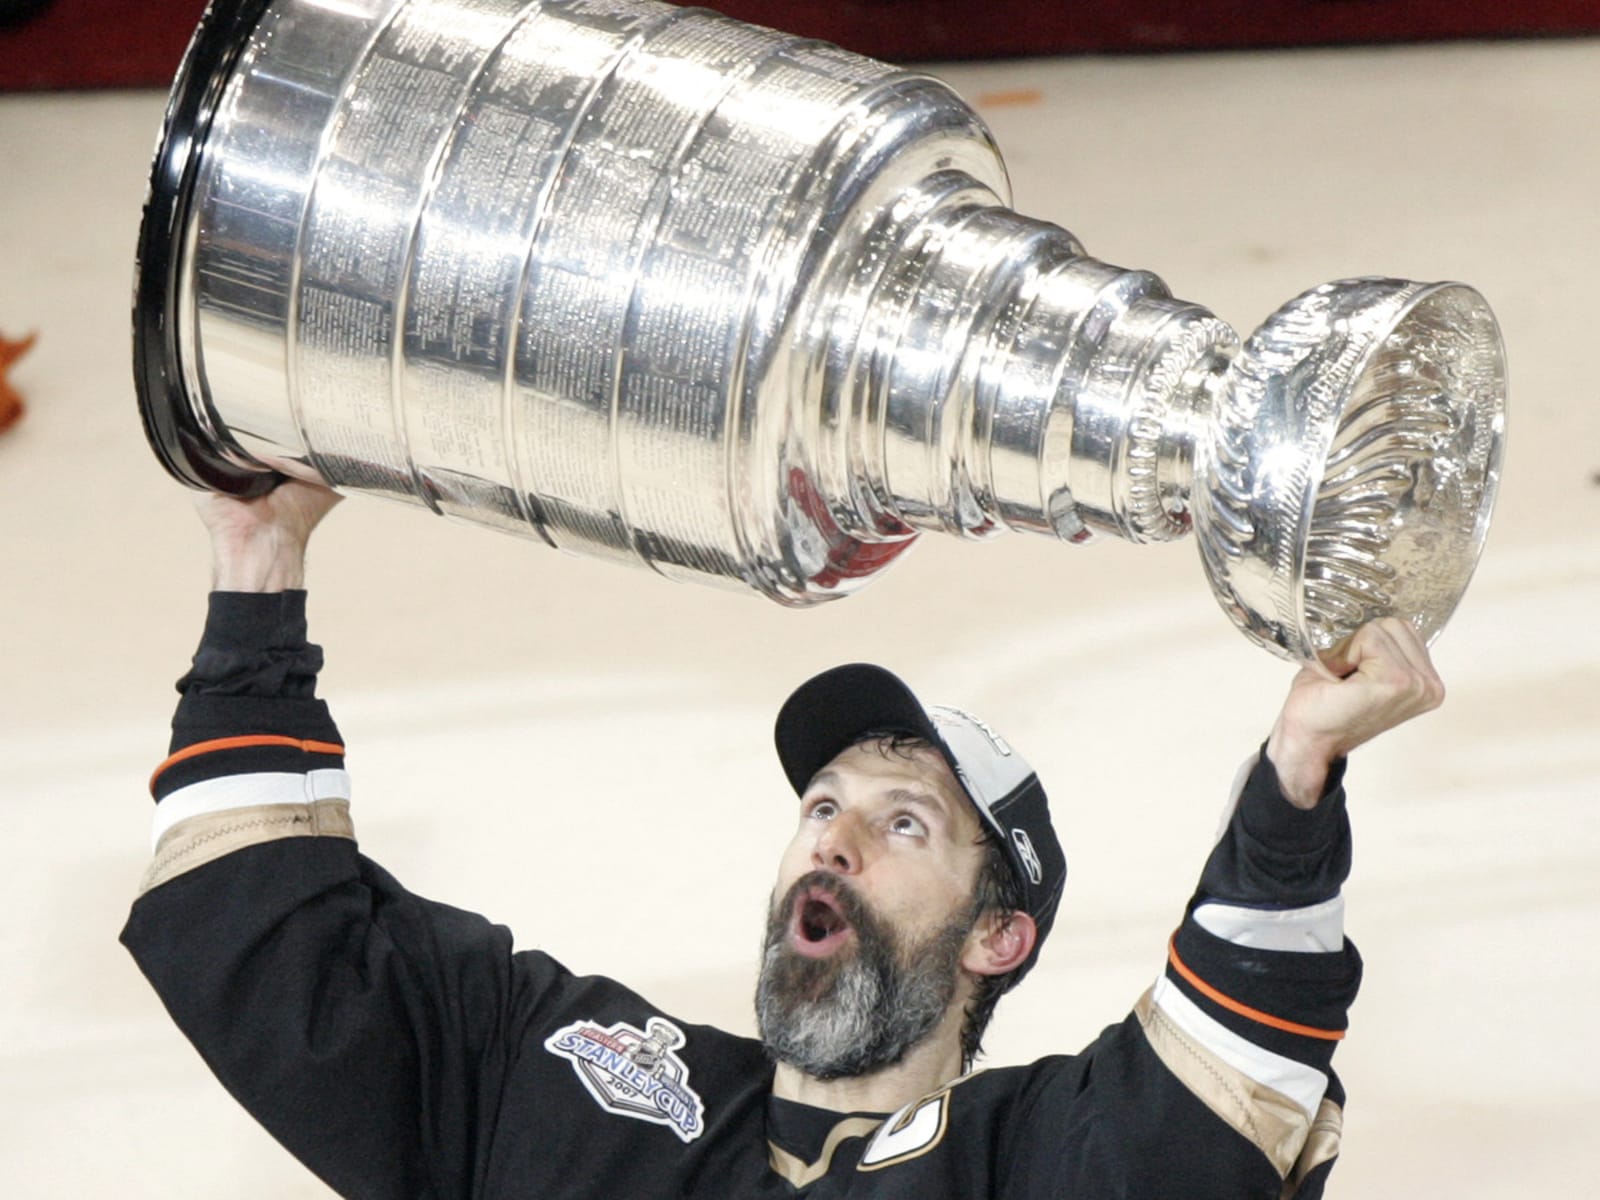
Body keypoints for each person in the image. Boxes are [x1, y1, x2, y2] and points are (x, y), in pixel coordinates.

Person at [122, 480, 1446, 1199]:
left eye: (902, 821)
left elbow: (1222, 1087)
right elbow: (268, 943)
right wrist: (256, 559)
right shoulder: (579, 1086)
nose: (833, 841)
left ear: (999, 935)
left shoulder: (1036, 1161)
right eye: (820, 808)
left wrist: (1295, 779)